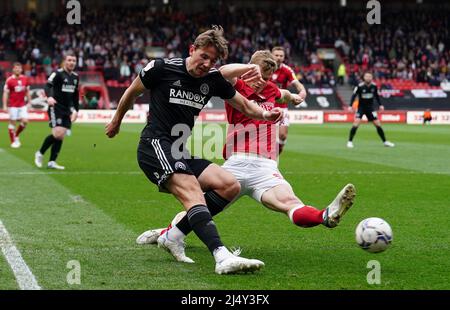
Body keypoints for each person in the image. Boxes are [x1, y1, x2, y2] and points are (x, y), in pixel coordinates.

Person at [136, 51, 356, 265]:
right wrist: (249, 69)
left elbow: (284, 95)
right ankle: (169, 233)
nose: (262, 83)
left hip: (266, 168)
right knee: (197, 201)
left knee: (290, 203)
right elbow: (223, 71)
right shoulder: (235, 86)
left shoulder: (271, 89)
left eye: (267, 78)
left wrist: (297, 96)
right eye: (259, 76)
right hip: (237, 165)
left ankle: (324, 216)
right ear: (249, 71)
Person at [105, 27, 283, 275]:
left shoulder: (212, 79)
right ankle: (222, 256)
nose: (207, 63)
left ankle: (173, 236)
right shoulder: (161, 68)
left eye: (213, 60)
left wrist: (265, 113)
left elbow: (243, 104)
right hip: (154, 144)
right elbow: (131, 92)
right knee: (192, 192)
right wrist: (116, 121)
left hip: (180, 151)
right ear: (192, 49)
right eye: (204, 56)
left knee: (228, 185)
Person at [34, 53, 79, 170]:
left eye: (74, 61)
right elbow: (47, 86)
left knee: (61, 136)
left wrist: (76, 110)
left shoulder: (75, 77)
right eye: (69, 60)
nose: (72, 63)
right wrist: (49, 97)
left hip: (67, 109)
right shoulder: (57, 73)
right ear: (65, 61)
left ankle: (52, 162)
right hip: (55, 107)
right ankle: (40, 153)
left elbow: (75, 95)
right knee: (57, 134)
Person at [271, 46, 308, 154]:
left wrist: (302, 93)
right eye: (276, 55)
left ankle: (279, 150)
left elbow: (298, 84)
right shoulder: (265, 68)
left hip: (282, 106)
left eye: (281, 56)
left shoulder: (287, 70)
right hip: (267, 106)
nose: (278, 57)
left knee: (282, 135)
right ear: (271, 55)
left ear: (284, 57)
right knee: (267, 137)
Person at [347, 72, 395, 148]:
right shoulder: (360, 86)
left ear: (372, 78)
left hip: (370, 108)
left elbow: (377, 96)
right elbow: (354, 96)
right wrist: (350, 106)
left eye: (370, 76)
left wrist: (380, 105)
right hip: (361, 108)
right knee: (356, 123)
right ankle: (350, 142)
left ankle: (385, 142)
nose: (368, 78)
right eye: (367, 76)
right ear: (364, 77)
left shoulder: (374, 86)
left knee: (378, 124)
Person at [2, 62, 31, 148]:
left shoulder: (25, 79)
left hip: (22, 105)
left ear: (21, 69)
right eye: (16, 68)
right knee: (12, 123)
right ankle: (13, 142)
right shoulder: (9, 80)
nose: (18, 70)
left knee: (25, 121)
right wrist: (4, 105)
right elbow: (5, 93)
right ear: (13, 69)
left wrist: (29, 102)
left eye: (19, 68)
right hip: (13, 106)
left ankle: (16, 135)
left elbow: (27, 91)